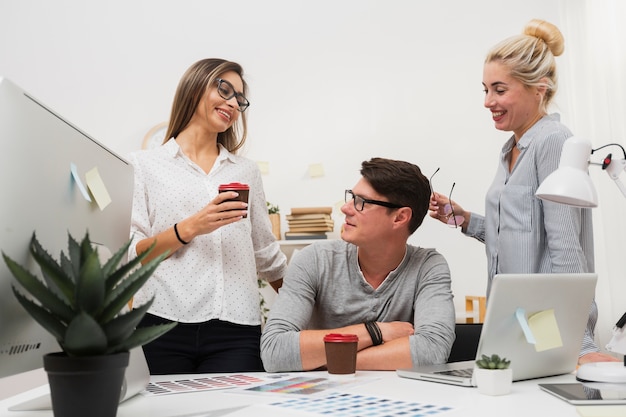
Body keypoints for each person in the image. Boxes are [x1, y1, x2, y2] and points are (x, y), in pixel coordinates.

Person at [429, 19, 618, 365]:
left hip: (545, 323)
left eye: (500, 90)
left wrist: (581, 343)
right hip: (513, 321)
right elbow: (522, 235)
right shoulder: (510, 150)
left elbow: (566, 251)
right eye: (484, 90)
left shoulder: (552, 142)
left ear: (539, 89)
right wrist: (466, 219)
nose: (488, 101)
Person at [128, 58, 287, 374]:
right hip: (161, 323)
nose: (232, 103)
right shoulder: (143, 165)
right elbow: (132, 256)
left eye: (239, 99)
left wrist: (314, 311)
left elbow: (265, 254)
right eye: (224, 89)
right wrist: (190, 227)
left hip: (236, 328)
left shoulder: (246, 171)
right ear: (194, 86)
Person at [261, 157, 455, 372]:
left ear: (400, 218)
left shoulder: (428, 267)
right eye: (351, 197)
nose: (346, 208)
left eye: (362, 202)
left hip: (397, 398)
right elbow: (274, 351)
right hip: (321, 399)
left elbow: (431, 352)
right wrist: (374, 332)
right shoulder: (314, 260)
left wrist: (325, 358)